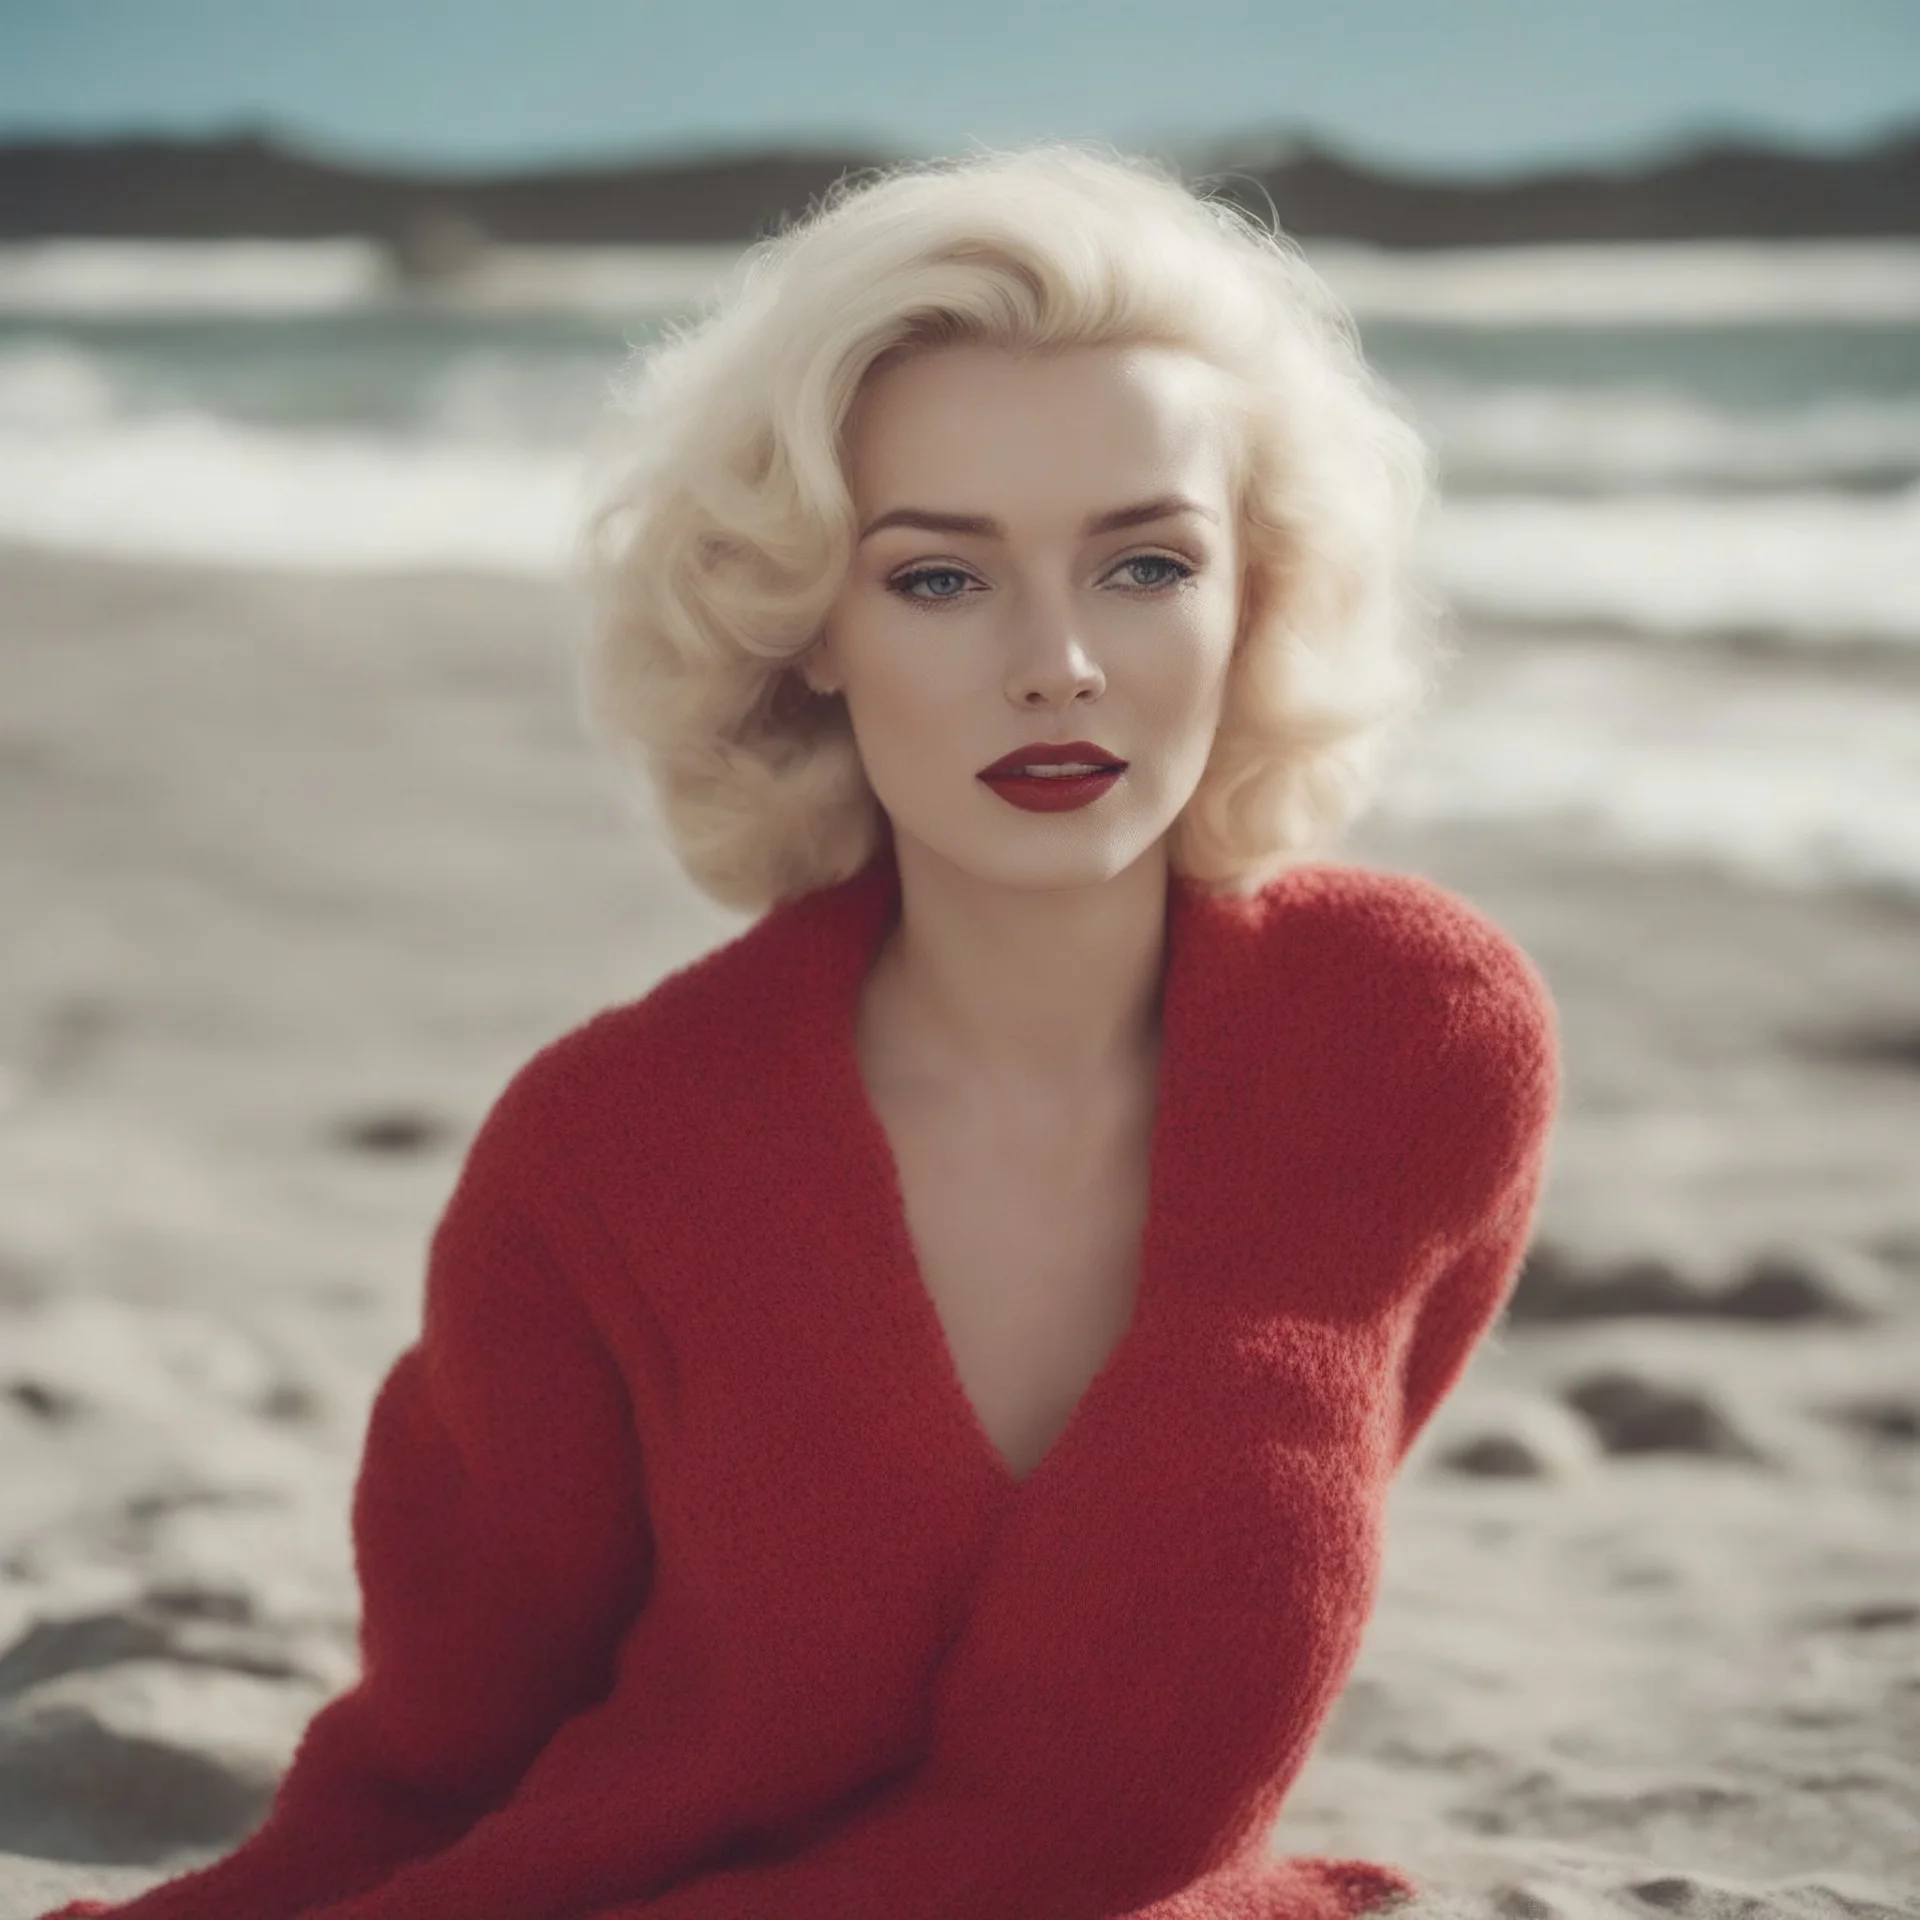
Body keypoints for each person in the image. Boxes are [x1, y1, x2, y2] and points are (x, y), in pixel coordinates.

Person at [42, 140, 1559, 1920]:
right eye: (939, 579)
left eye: (1147, 566)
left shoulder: (1408, 1039)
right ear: (809, 624)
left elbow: (1142, 1766)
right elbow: (445, 1751)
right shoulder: (602, 1160)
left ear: (1257, 599)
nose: (1059, 662)